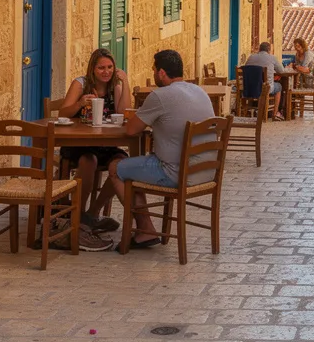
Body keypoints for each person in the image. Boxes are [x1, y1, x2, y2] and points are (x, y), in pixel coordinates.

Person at [109, 50, 216, 249]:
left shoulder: (160, 95)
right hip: (205, 172)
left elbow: (132, 130)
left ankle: (145, 229)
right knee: (133, 169)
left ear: (161, 73)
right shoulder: (199, 91)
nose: (153, 72)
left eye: (154, 69)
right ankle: (145, 228)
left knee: (116, 167)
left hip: (175, 172)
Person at [58, 48, 131, 240]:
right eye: (101, 68)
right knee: (89, 161)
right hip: (79, 143)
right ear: (93, 69)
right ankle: (78, 215)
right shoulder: (80, 84)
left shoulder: (114, 87)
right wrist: (80, 103)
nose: (106, 72)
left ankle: (92, 212)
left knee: (122, 164)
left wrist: (125, 83)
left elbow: (124, 114)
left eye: (109, 67)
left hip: (104, 143)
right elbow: (62, 113)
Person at [244, 41, 289, 118]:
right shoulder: (272, 58)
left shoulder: (251, 57)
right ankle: (275, 113)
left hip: (250, 88)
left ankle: (246, 112)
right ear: (269, 50)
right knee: (279, 86)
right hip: (265, 88)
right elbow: (281, 71)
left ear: (259, 49)